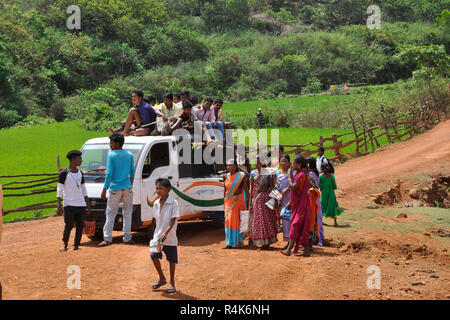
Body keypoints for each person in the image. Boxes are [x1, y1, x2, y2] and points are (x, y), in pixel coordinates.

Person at [99, 133, 136, 246]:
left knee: (110, 213)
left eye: (111, 143)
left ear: (116, 143)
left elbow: (109, 174)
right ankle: (127, 237)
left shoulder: (111, 155)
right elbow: (132, 173)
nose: (110, 145)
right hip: (127, 187)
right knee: (127, 213)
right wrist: (129, 185)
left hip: (115, 188)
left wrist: (104, 189)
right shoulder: (129, 155)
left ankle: (107, 238)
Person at [57, 150, 92, 252]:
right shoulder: (64, 173)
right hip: (69, 203)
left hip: (80, 203)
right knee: (69, 224)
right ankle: (65, 243)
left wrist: (87, 205)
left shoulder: (80, 173)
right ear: (73, 160)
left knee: (80, 225)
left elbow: (83, 189)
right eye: (79, 158)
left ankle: (76, 244)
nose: (81, 160)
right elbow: (59, 190)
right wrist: (59, 206)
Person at [150, 178, 180, 294]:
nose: (158, 191)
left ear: (168, 189)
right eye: (157, 188)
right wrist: (155, 235)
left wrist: (166, 233)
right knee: (153, 255)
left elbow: (173, 220)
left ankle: (172, 282)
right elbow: (155, 220)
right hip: (158, 236)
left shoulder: (174, 203)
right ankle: (162, 278)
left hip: (170, 236)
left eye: (160, 188)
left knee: (172, 260)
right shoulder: (156, 203)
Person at [281, 155, 312, 257]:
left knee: (294, 225)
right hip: (297, 205)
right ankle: (306, 250)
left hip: (302, 206)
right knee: (301, 227)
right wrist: (290, 202)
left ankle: (289, 249)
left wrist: (289, 175)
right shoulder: (298, 174)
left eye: (294, 163)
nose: (292, 165)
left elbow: (293, 188)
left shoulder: (302, 175)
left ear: (299, 165)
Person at [251, 158, 278, 250]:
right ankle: (261, 241)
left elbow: (272, 187)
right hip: (256, 199)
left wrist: (270, 198)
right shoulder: (253, 173)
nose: (256, 164)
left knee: (266, 220)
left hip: (265, 200)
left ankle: (267, 242)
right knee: (258, 221)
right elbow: (252, 187)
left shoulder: (268, 174)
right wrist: (251, 200)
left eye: (258, 162)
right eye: (255, 162)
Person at [222, 159, 248, 249]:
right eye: (227, 165)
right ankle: (229, 242)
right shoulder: (225, 176)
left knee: (236, 221)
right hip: (228, 202)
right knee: (228, 221)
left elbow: (246, 189)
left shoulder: (241, 176)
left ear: (235, 166)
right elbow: (224, 190)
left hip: (238, 201)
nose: (228, 167)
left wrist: (248, 203)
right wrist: (224, 202)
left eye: (230, 165)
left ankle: (237, 241)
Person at [307, 157, 324, 246]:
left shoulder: (310, 174)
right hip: (316, 198)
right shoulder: (315, 173)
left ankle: (317, 239)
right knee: (318, 219)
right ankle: (320, 238)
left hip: (313, 198)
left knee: (315, 219)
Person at [276, 154, 292, 249]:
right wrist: (277, 197)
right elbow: (277, 185)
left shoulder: (291, 173)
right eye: (281, 161)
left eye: (285, 161)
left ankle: (292, 242)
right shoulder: (278, 173)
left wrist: (286, 190)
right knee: (285, 220)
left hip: (290, 198)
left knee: (291, 220)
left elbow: (293, 184)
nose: (283, 163)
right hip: (281, 198)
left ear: (289, 162)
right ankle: (288, 241)